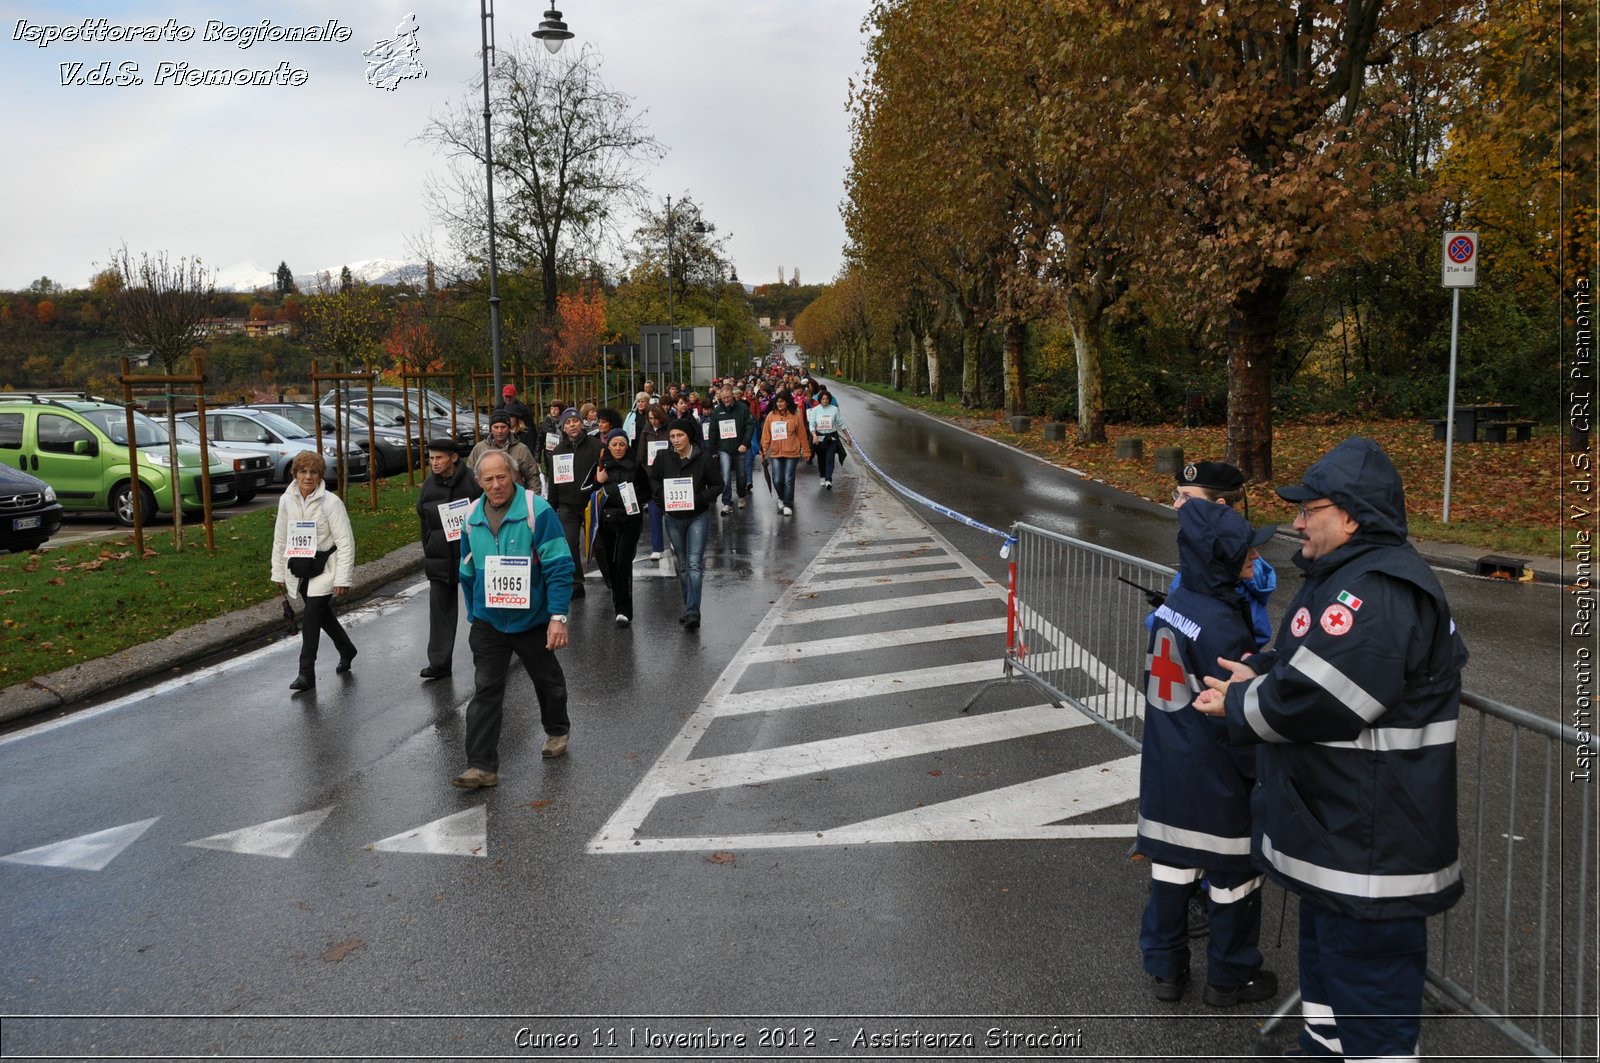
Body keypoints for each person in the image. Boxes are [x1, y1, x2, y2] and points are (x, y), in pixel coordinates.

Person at [1195, 436, 1468, 1060]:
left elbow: (1326, 697)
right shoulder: (1352, 577)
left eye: (1307, 509)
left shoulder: (1378, 589)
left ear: (1350, 515)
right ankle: (1321, 1047)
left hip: (1371, 843)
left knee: (1371, 1002)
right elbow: (1305, 664)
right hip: (1343, 833)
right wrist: (1259, 672)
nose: (1294, 522)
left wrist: (1240, 703)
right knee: (1329, 974)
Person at [1136, 501, 1277, 1007]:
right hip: (1215, 773)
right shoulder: (1222, 623)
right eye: (1246, 548)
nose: (1256, 555)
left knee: (1170, 874)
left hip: (1166, 767)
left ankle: (1166, 970)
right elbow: (1233, 707)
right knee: (1234, 880)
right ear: (1220, 556)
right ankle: (1230, 976)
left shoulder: (1172, 608)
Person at [454, 449, 572, 788]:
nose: (495, 485)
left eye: (501, 477)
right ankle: (481, 766)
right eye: (487, 479)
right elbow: (466, 569)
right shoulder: (472, 515)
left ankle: (557, 729)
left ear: (514, 476)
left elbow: (559, 566)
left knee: (546, 681)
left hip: (533, 620)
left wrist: (557, 617)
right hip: (490, 622)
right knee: (485, 689)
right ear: (479, 482)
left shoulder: (537, 511)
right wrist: (474, 611)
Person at [270, 451, 357, 691]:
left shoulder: (331, 502)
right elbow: (280, 537)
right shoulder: (286, 500)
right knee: (322, 616)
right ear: (294, 474)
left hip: (326, 569)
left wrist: (343, 578)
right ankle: (347, 649)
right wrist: (277, 572)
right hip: (300, 567)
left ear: (321, 475)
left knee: (310, 619)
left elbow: (346, 542)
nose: (308, 477)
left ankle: (305, 673)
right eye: (302, 472)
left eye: (314, 472)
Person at [1168, 460, 1276, 647]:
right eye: (1177, 495)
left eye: (1187, 497)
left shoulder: (1230, 567)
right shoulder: (1205, 552)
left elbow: (1252, 633)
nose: (1177, 505)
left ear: (1219, 505)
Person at [416, 438, 481, 680]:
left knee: (482, 609)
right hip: (440, 559)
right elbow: (423, 522)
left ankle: (490, 657)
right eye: (431, 458)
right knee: (440, 613)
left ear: (454, 458)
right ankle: (439, 663)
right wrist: (429, 549)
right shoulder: (428, 487)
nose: (434, 463)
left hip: (472, 557)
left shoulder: (473, 482)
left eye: (439, 458)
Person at [650, 416, 723, 630]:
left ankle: (693, 611)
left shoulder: (704, 457)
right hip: (673, 518)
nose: (675, 439)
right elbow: (653, 480)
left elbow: (718, 484)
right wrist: (662, 495)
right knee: (682, 566)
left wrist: (699, 497)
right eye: (672, 436)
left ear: (689, 436)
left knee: (693, 564)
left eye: (679, 435)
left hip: (697, 516)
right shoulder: (663, 457)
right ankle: (688, 606)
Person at [594, 429, 648, 626]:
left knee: (623, 562)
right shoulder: (601, 465)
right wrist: (597, 482)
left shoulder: (635, 466)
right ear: (608, 446)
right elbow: (586, 492)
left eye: (622, 444)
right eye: (614, 444)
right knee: (611, 563)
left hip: (630, 520)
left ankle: (623, 610)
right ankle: (618, 600)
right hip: (607, 520)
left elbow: (647, 492)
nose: (618, 448)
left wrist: (632, 498)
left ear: (627, 446)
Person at [548, 407, 603, 599]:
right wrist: (551, 506)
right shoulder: (557, 451)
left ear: (581, 423)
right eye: (568, 423)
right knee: (569, 545)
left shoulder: (596, 446)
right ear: (563, 428)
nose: (572, 425)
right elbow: (553, 480)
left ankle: (611, 578)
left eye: (575, 421)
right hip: (567, 506)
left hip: (591, 504)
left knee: (598, 545)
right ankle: (576, 584)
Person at [760, 391, 811, 516]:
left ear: (787, 402)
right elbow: (766, 436)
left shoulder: (795, 416)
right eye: (777, 401)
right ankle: (781, 497)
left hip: (792, 452)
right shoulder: (771, 416)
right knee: (777, 480)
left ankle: (788, 504)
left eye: (782, 401)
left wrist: (806, 450)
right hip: (776, 453)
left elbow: (802, 435)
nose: (779, 403)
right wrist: (763, 451)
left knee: (788, 479)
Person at [635, 403, 673, 563]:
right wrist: (646, 474)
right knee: (654, 512)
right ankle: (656, 548)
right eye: (650, 419)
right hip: (652, 477)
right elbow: (641, 456)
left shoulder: (670, 430)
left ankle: (674, 541)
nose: (653, 421)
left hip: (669, 475)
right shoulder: (645, 431)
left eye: (655, 418)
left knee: (671, 512)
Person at [467, 411, 541, 491]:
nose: (499, 431)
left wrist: (533, 497)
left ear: (509, 428)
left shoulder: (521, 449)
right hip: (487, 496)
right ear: (491, 428)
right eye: (496, 427)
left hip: (515, 497)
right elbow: (469, 474)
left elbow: (532, 476)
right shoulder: (479, 448)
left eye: (503, 427)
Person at [709, 384, 752, 513]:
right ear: (720, 398)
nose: (726, 400)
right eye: (723, 398)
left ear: (733, 396)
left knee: (741, 475)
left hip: (739, 448)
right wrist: (713, 450)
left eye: (728, 397)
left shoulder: (742, 408)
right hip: (724, 449)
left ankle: (741, 495)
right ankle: (726, 502)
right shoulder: (717, 411)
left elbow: (750, 426)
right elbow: (713, 431)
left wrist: (745, 443)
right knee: (726, 476)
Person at [807, 388, 845, 489]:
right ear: (820, 400)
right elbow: (811, 424)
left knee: (830, 458)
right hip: (819, 438)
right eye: (823, 399)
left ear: (830, 399)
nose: (825, 401)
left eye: (827, 399)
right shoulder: (815, 410)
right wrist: (814, 435)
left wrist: (848, 437)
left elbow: (841, 423)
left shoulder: (834, 409)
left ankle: (828, 479)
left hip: (831, 437)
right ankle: (822, 476)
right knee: (821, 458)